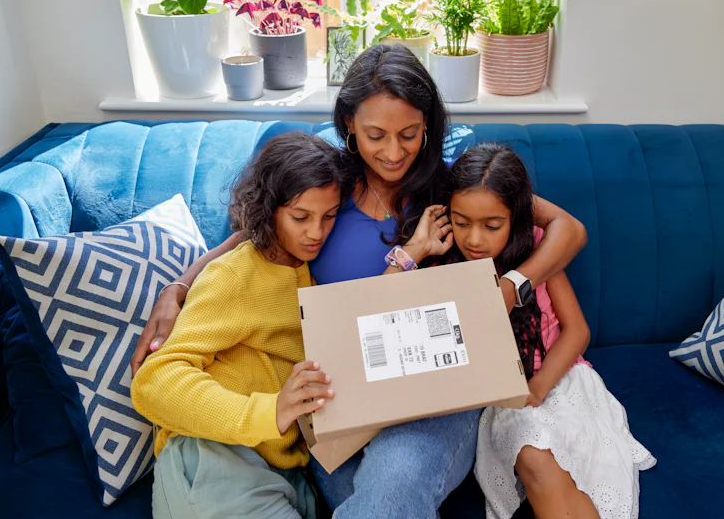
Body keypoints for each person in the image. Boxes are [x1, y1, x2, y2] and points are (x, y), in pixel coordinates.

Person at [130, 44, 589, 518]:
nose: (393, 153)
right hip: (342, 393)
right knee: (370, 502)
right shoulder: (327, 185)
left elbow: (568, 229)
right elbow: (257, 231)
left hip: (434, 386)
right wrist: (178, 286)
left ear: (427, 125)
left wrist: (516, 283)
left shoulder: (451, 189)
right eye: (376, 135)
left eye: (410, 134)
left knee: (394, 486)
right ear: (348, 124)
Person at [410, 144, 655, 519]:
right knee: (535, 455)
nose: (474, 239)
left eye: (492, 226)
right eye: (461, 223)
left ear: (515, 219)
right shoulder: (444, 264)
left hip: (561, 378)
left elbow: (576, 331)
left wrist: (538, 387)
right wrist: (414, 252)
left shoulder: (538, 250)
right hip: (505, 397)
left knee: (579, 466)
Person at [130, 133, 345, 519]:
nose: (317, 232)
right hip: (215, 463)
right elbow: (154, 381)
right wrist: (269, 411)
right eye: (301, 217)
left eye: (329, 216)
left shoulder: (310, 271)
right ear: (269, 209)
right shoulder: (235, 275)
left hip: (289, 475)